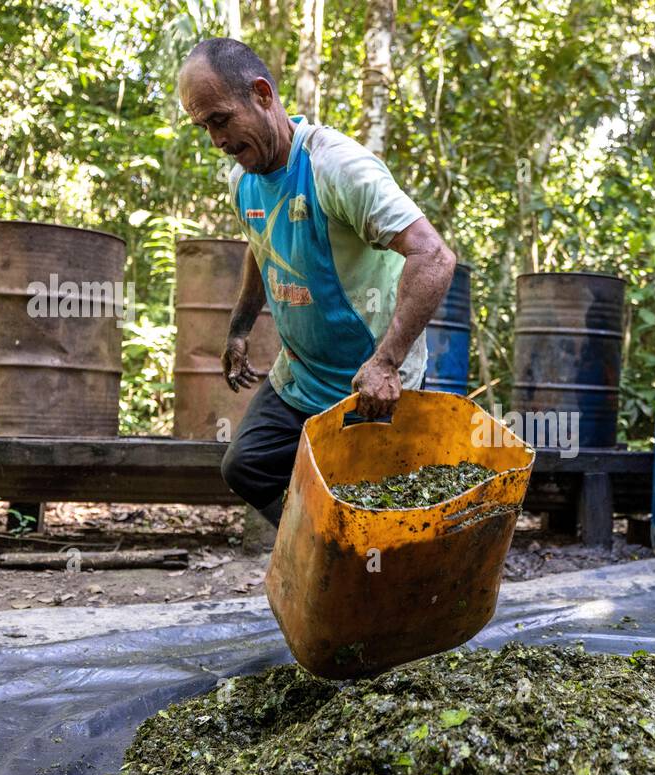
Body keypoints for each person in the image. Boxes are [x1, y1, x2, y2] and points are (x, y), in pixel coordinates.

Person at [178, 37, 456, 526]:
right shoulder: (242, 179)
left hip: (372, 385)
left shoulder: (338, 167)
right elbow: (261, 245)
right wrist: (239, 328)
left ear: (262, 94)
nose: (216, 140)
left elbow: (434, 256)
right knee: (248, 466)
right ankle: (322, 546)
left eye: (220, 120)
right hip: (301, 376)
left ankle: (359, 562)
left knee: (377, 506)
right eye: (204, 127)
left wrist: (386, 363)